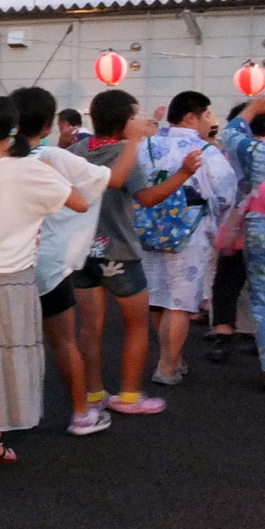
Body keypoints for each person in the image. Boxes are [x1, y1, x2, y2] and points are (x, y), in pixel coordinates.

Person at [0, 97, 88, 464]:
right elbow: (80, 203)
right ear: (14, 130)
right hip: (12, 276)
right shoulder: (30, 170)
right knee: (4, 355)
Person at [10, 86, 126, 436]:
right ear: (48, 126)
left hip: (7, 264)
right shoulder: (52, 159)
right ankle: (81, 414)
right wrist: (133, 142)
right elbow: (113, 179)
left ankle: (1, 416)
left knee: (9, 343)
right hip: (50, 263)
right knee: (64, 341)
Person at [69, 89, 182, 416]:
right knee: (136, 326)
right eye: (136, 115)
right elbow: (147, 198)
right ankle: (130, 395)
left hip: (83, 253)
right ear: (124, 123)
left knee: (90, 328)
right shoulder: (126, 154)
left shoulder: (77, 150)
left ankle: (93, 394)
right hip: (120, 253)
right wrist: (184, 174)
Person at [138, 91, 236, 384]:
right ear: (191, 117)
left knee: (158, 298)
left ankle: (173, 358)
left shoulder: (148, 146)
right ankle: (166, 367)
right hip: (189, 232)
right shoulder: (206, 151)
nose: (211, 120)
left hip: (148, 228)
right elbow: (225, 193)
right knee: (179, 303)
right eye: (207, 115)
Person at [218, 98, 265, 378]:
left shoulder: (255, 151)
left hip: (259, 226)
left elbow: (231, 134)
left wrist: (253, 108)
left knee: (262, 299)